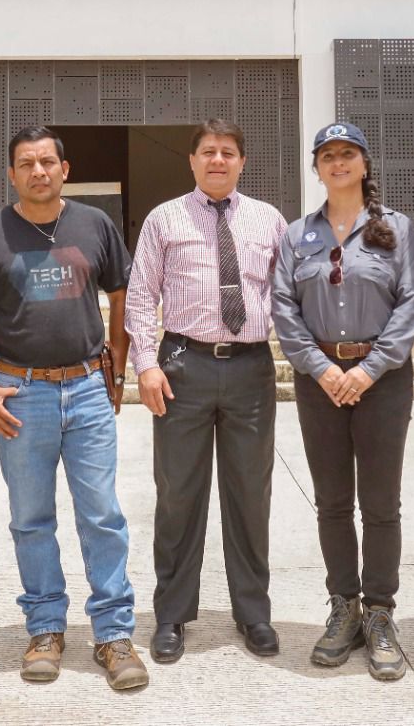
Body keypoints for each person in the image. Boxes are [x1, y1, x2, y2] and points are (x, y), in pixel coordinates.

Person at [0, 126, 148, 692]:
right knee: (31, 517)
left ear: (65, 169)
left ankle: (113, 633)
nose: (38, 171)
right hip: (19, 393)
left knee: (102, 514)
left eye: (47, 162)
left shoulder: (95, 224)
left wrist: (117, 366)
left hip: (86, 387)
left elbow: (122, 295)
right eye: (26, 163)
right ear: (11, 174)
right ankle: (44, 628)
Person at [125, 119, 288, 664]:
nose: (218, 160)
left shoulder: (269, 220)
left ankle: (253, 613)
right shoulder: (164, 218)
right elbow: (141, 296)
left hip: (250, 369)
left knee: (251, 495)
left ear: (242, 161)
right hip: (183, 366)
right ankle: (171, 614)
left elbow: (285, 295)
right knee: (178, 495)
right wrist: (147, 365)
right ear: (192, 160)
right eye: (208, 152)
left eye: (228, 152)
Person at [272, 122, 414, 681]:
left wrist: (368, 369)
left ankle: (380, 612)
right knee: (333, 502)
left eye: (347, 154)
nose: (338, 163)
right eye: (327, 156)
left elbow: (411, 302)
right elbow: (283, 307)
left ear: (364, 164)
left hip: (381, 380)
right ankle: (345, 609)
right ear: (316, 168)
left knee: (381, 503)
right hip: (319, 383)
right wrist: (321, 369)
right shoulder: (297, 235)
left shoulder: (396, 229)